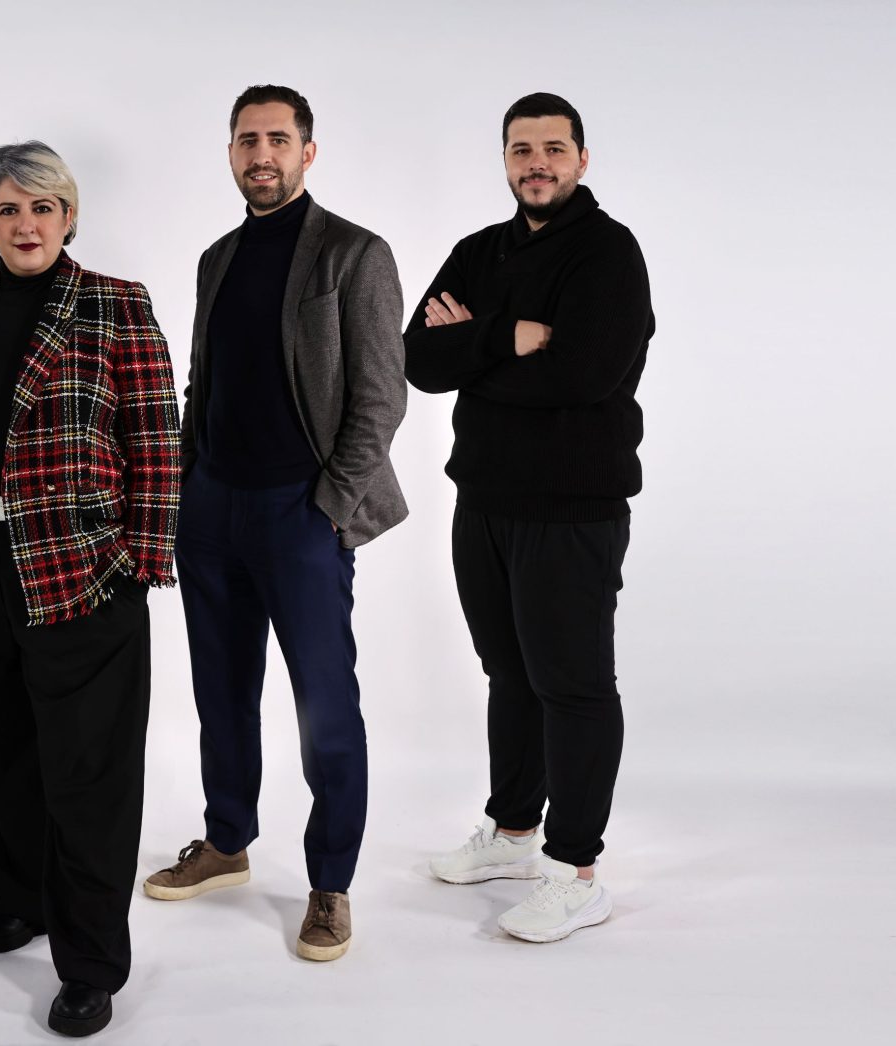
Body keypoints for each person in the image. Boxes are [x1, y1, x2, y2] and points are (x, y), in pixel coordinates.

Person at [0, 141, 179, 1037]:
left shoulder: (115, 305)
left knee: (88, 775)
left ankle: (91, 963)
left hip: (80, 571)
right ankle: (20, 897)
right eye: (8, 209)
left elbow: (157, 441)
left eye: (43, 207)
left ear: (69, 215)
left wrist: (138, 563)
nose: (26, 225)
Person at [143, 85, 408, 962]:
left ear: (307, 152)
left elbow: (381, 397)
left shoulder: (354, 253)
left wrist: (330, 506)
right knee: (221, 692)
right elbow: (203, 379)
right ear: (231, 153)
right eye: (248, 140)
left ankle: (330, 883)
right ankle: (227, 842)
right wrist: (186, 481)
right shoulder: (216, 258)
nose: (262, 154)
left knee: (325, 707)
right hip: (211, 507)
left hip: (301, 510)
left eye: (278, 140)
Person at [403, 92, 654, 943]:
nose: (536, 164)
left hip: (572, 511)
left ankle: (576, 872)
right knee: (508, 673)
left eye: (553, 149)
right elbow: (417, 360)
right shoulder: (479, 250)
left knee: (572, 686)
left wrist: (474, 345)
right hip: (483, 501)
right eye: (521, 150)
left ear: (582, 158)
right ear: (505, 160)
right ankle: (513, 834)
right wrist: (512, 335)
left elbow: (583, 377)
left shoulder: (609, 254)